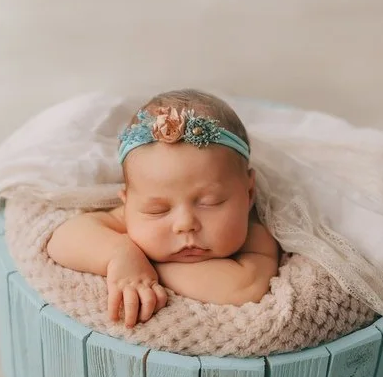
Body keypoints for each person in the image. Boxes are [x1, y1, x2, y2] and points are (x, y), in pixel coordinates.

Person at [46, 89, 280, 328]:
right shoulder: (131, 217)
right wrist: (121, 254)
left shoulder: (255, 233)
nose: (185, 223)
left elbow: (244, 287)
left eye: (210, 203)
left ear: (248, 193)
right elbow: (61, 240)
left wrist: (147, 267)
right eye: (157, 210)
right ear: (128, 203)